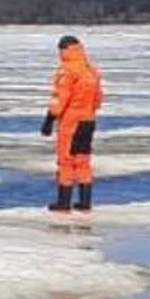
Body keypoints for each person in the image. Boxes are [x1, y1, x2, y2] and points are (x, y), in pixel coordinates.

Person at [39, 35, 102, 212]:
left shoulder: (67, 70)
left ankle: (64, 203)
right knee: (83, 160)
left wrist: (49, 119)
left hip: (71, 122)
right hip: (89, 120)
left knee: (65, 160)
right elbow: (98, 98)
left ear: (64, 50)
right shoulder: (91, 70)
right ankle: (85, 202)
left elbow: (60, 98)